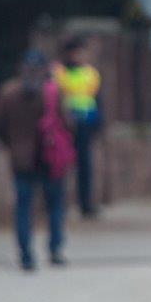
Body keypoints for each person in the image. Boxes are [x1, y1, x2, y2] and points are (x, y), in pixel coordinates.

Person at [0, 49, 74, 271]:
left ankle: (26, 255)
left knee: (23, 208)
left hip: (21, 160)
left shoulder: (9, 92)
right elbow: (66, 124)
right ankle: (55, 249)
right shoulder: (52, 92)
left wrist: (14, 144)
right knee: (54, 205)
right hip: (50, 157)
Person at [53, 37, 102, 217]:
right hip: (64, 125)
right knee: (61, 164)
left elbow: (96, 99)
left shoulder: (91, 73)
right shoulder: (58, 72)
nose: (79, 55)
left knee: (85, 166)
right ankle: (61, 204)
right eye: (75, 51)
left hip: (85, 124)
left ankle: (85, 204)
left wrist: (98, 122)